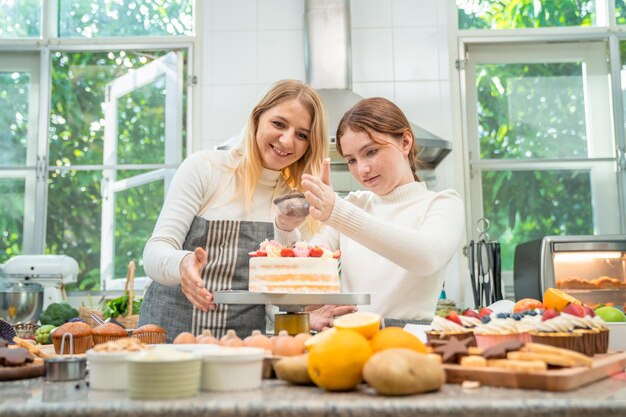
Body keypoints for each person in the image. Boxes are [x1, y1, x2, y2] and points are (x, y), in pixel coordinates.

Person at [140, 80, 342, 342]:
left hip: (242, 346)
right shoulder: (205, 168)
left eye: (302, 135)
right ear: (257, 118)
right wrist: (182, 263)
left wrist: (300, 314)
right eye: (279, 124)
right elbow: (156, 250)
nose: (286, 140)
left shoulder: (295, 202)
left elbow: (270, 293)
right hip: (169, 338)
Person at [275, 97, 465, 328]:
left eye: (371, 151)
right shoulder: (355, 204)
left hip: (408, 344)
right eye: (351, 160)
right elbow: (306, 266)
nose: (362, 169)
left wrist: (337, 211)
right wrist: (286, 228)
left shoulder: (443, 203)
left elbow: (426, 257)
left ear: (405, 142)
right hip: (348, 340)